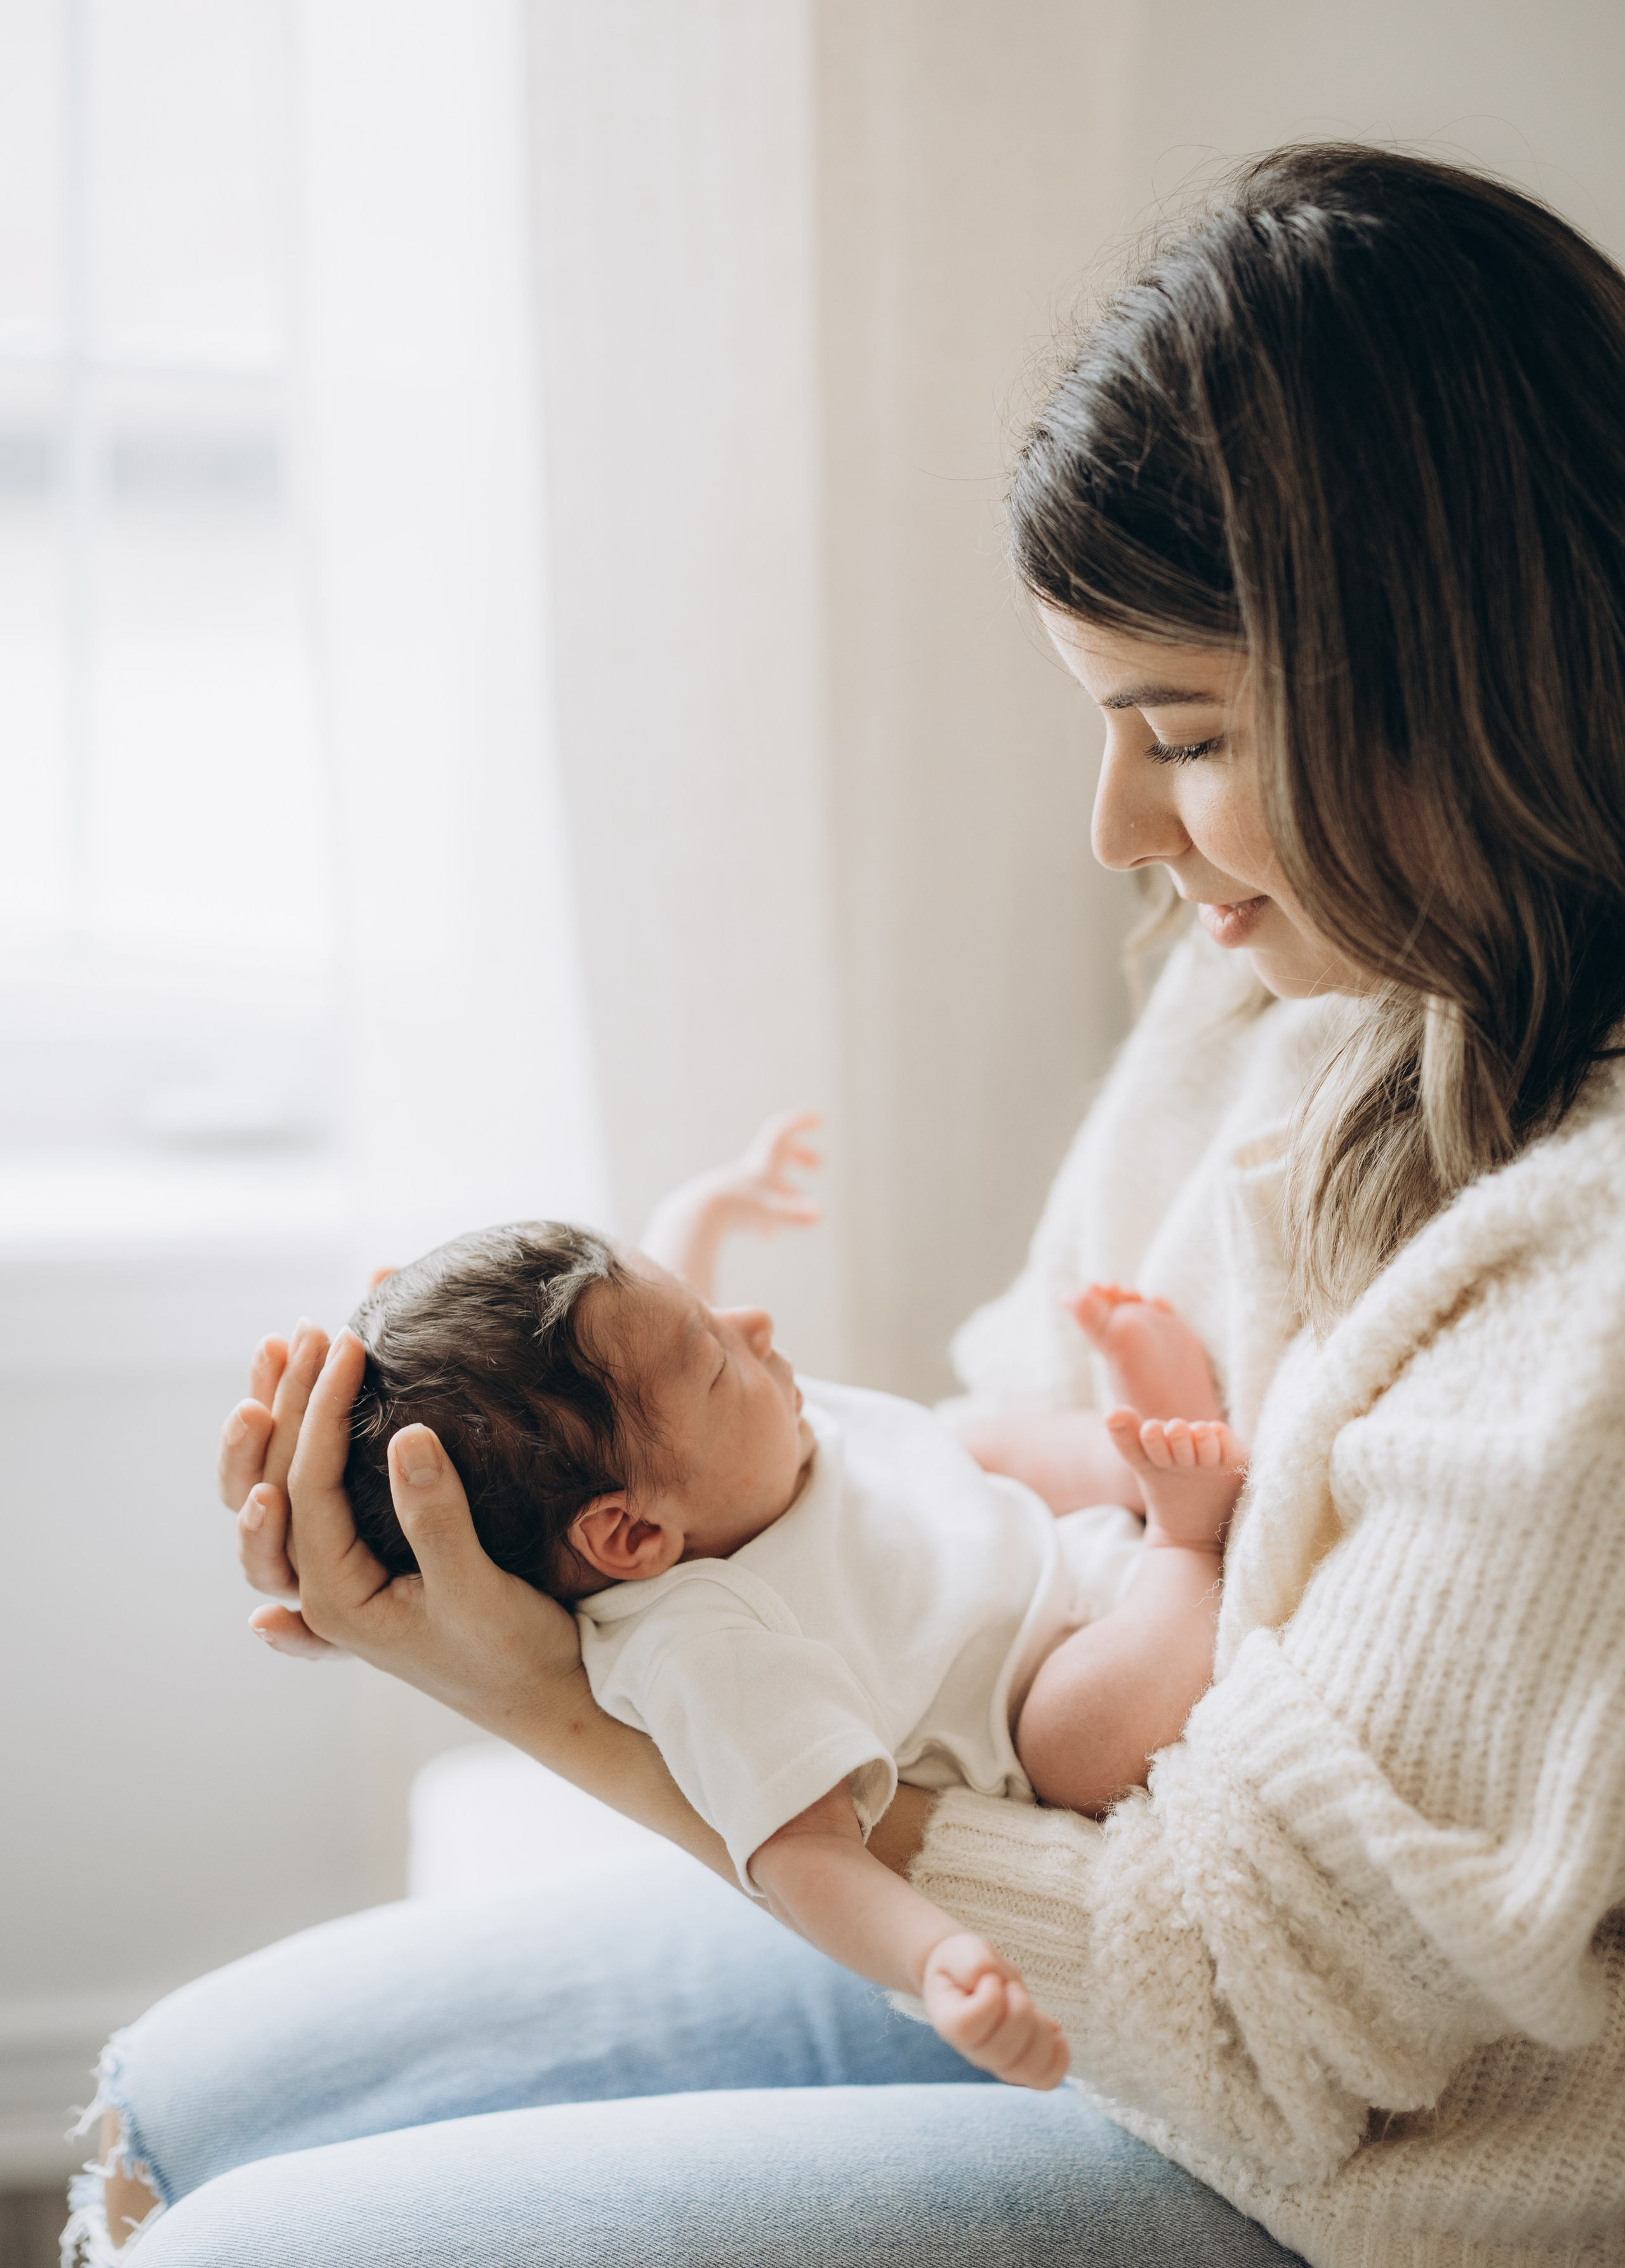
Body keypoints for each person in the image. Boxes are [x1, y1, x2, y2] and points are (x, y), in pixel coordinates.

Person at [76, 145, 1625, 2266]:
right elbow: (1006, 1417)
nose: (1115, 828)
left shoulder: (1586, 1287)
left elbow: (1266, 2027)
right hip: (1083, 1889)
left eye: (1182, 733)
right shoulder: (1293, 965)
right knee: (189, 2098)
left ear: (1455, 682)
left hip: (1371, 2167)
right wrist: (549, 1499)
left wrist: (576, 1706)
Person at [335, 1131, 1244, 2088]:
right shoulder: (708, 1648)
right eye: (715, 1357)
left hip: (1006, 1535)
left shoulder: (711, 1459)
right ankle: (1186, 1539)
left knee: (967, 1440)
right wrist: (933, 1957)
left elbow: (652, 1333)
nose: (756, 1326)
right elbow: (803, 1854)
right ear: (633, 1536)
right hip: (1053, 1675)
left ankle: (1136, 1454)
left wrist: (708, 1207)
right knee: (1074, 1747)